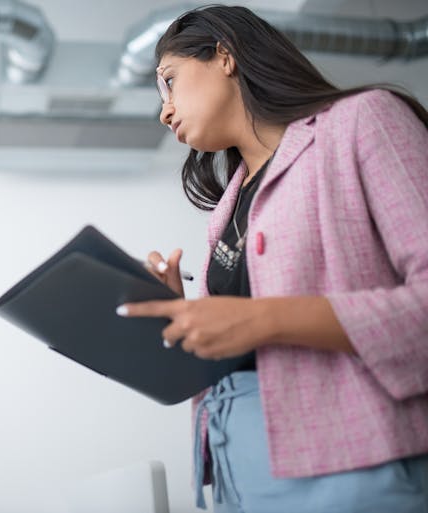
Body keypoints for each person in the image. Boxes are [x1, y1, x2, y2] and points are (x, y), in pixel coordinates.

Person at [115, 5, 428, 512]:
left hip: (356, 463)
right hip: (237, 472)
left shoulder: (364, 120)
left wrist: (262, 318)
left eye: (169, 82)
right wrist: (182, 322)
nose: (164, 111)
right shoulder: (229, 207)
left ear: (225, 56)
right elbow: (241, 351)